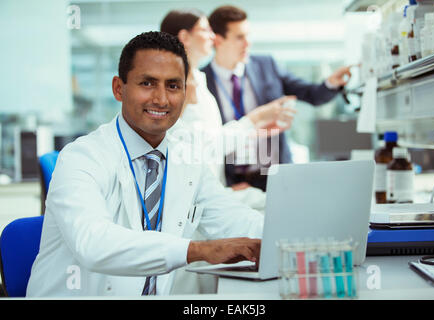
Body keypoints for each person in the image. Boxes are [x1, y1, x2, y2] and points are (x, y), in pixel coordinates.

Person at [26, 31, 263, 297]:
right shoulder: (82, 157)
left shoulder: (187, 160)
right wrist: (197, 250)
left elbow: (234, 219)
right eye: (147, 83)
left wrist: (293, 232)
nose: (161, 99)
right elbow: (93, 243)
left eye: (173, 85)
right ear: (119, 88)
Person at [203, 5, 354, 191]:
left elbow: (311, 94)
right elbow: (206, 141)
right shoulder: (201, 81)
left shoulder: (266, 65)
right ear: (218, 40)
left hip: (277, 177)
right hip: (233, 184)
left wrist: (331, 83)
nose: (247, 43)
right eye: (239, 37)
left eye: (248, 35)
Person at [161, 9, 296, 205]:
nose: (212, 36)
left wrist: (254, 131)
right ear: (185, 37)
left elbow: (205, 137)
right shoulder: (181, 85)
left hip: (211, 190)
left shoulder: (197, 79)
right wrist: (255, 119)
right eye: (205, 30)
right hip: (194, 198)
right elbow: (193, 148)